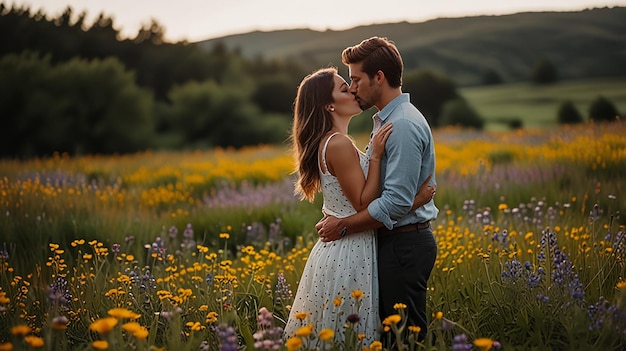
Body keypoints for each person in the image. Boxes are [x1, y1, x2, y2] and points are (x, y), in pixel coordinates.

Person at [283, 67, 434, 345]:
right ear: (329, 105)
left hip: (350, 245)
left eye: (351, 84)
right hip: (349, 250)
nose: (352, 90)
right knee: (350, 334)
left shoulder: (336, 142)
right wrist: (376, 157)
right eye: (344, 88)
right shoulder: (338, 143)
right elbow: (364, 202)